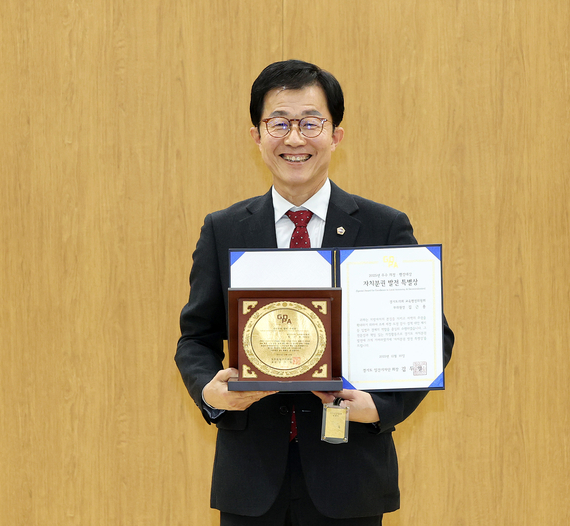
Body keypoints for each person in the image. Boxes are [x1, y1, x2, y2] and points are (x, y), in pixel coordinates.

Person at [175, 59, 454, 526]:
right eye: (279, 123)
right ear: (256, 135)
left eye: (310, 123)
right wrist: (210, 391)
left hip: (349, 478)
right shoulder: (223, 230)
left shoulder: (383, 226)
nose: (294, 139)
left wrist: (380, 407)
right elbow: (196, 337)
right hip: (250, 481)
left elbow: (431, 338)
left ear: (335, 135)